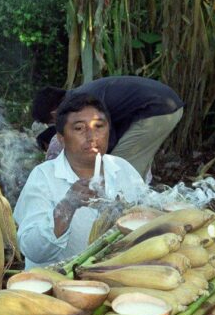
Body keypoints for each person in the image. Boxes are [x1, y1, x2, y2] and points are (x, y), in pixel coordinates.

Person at [14, 93, 149, 269]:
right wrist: (67, 206)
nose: (92, 136)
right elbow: (33, 250)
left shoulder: (122, 168)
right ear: (61, 139)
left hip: (112, 278)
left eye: (99, 126)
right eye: (79, 128)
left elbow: (147, 215)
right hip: (56, 284)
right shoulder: (44, 177)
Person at [32, 76, 184, 183]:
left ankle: (123, 219)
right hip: (165, 105)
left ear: (54, 114)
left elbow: (103, 137)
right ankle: (138, 209)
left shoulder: (81, 105)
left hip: (157, 110)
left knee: (117, 171)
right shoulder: (80, 96)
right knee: (132, 168)